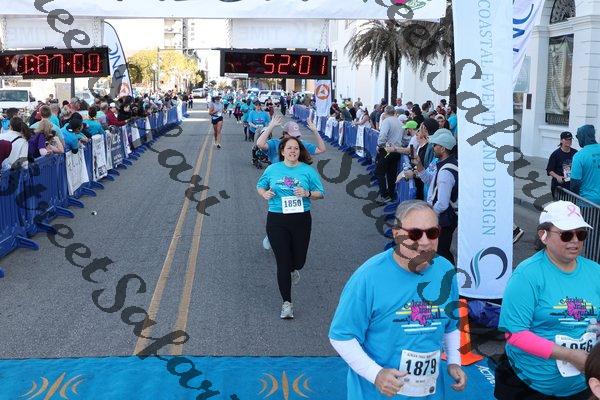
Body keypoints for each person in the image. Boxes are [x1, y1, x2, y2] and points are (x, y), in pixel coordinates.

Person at [329, 200, 466, 400]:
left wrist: (454, 361)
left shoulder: (445, 270)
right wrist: (376, 374)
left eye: (432, 233)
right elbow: (341, 336)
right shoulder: (369, 277)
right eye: (415, 234)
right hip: (377, 395)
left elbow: (451, 325)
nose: (425, 241)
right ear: (396, 234)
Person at [495, 200, 599, 400]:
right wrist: (569, 355)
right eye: (566, 234)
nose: (575, 240)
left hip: (580, 385)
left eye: (581, 234)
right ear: (544, 235)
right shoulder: (527, 275)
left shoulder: (595, 272)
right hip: (529, 385)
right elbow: (515, 334)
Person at [256, 136, 325, 319]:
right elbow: (260, 186)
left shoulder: (307, 171)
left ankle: (294, 269)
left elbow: (320, 193)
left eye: (296, 148)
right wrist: (264, 193)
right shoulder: (273, 169)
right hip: (277, 219)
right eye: (289, 148)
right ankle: (287, 303)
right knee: (283, 262)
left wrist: (307, 193)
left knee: (299, 261)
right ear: (282, 151)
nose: (293, 151)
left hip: (301, 220)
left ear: (299, 151)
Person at [412, 129, 458, 265]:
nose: (432, 147)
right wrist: (419, 165)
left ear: (442, 148)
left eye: (435, 145)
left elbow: (442, 204)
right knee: (440, 250)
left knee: (441, 252)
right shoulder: (446, 164)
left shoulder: (445, 172)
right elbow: (429, 181)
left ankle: (450, 274)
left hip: (444, 219)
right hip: (445, 218)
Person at [257, 114, 326, 164]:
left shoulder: (301, 144)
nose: (295, 139)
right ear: (284, 134)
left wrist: (315, 131)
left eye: (297, 136)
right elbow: (260, 144)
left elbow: (321, 149)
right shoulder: (275, 143)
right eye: (292, 136)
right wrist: (270, 126)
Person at [376, 105, 405, 201]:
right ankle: (391, 194)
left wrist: (380, 145)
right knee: (391, 173)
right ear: (394, 112)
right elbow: (404, 138)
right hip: (397, 150)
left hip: (387, 150)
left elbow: (383, 135)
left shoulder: (386, 121)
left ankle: (384, 195)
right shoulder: (400, 122)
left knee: (380, 172)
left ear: (385, 112)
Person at [571, 124, 600, 205]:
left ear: (582, 136)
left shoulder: (579, 156)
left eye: (577, 136)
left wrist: (574, 200)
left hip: (587, 202)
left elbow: (574, 184)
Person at [547, 131, 578, 200]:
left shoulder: (575, 153)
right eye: (566, 139)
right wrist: (557, 177)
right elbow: (549, 170)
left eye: (570, 139)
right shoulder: (555, 154)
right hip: (559, 186)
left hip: (571, 185)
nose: (569, 141)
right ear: (561, 140)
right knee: (559, 205)